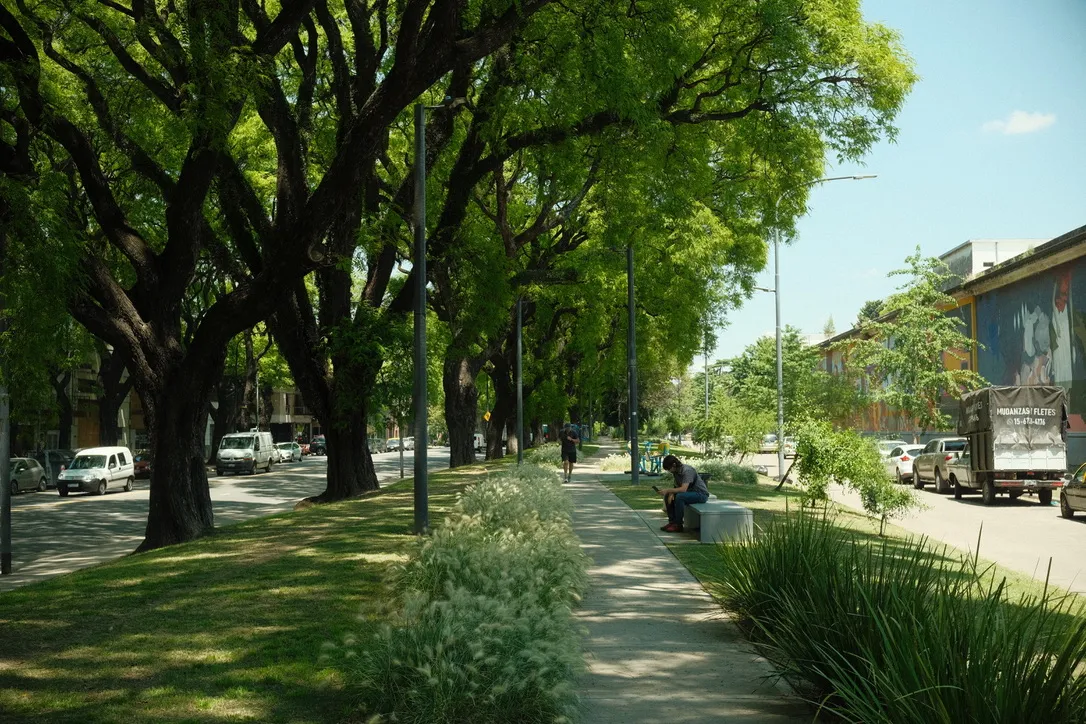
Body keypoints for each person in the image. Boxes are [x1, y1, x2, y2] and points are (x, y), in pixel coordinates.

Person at [656, 455, 709, 532]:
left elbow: (683, 489)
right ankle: (672, 522)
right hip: (690, 492)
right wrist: (670, 493)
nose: (669, 471)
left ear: (674, 465)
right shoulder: (675, 472)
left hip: (701, 494)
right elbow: (677, 486)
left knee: (680, 497)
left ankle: (678, 525)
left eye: (669, 468)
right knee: (668, 495)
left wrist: (668, 490)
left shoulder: (687, 471)